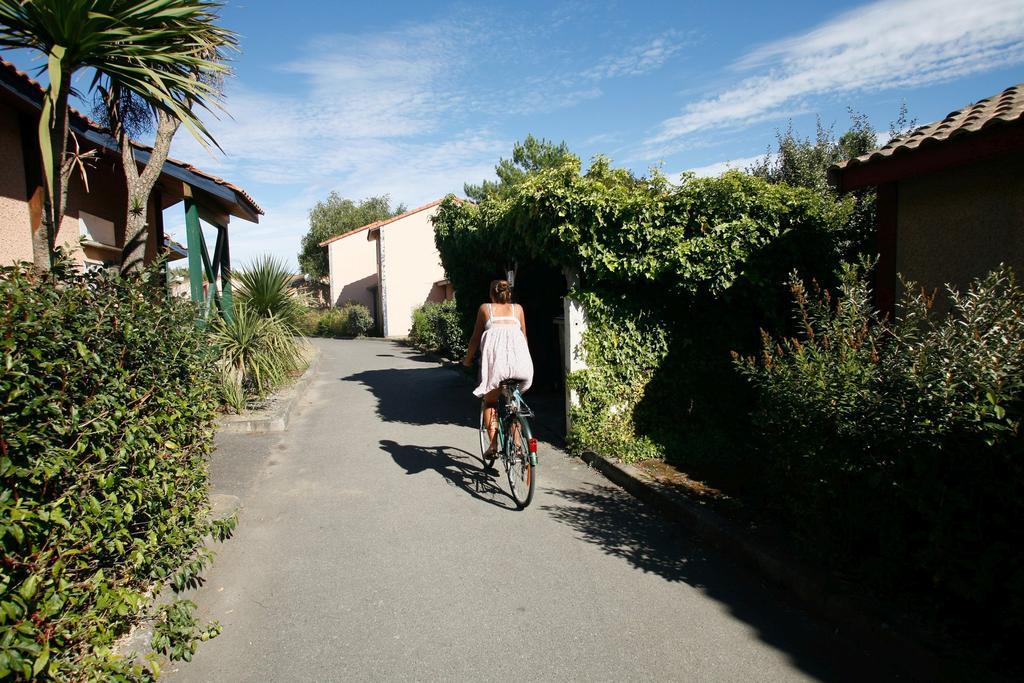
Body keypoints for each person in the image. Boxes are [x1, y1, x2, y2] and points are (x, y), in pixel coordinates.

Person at [462, 279, 534, 457]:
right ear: (508, 293)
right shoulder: (518, 309)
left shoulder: (485, 309)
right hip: (522, 366)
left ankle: (493, 446)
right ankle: (517, 446)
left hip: (497, 368)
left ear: (491, 294)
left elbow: (475, 339)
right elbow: (524, 338)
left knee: (491, 402)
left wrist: (467, 360)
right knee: (514, 404)